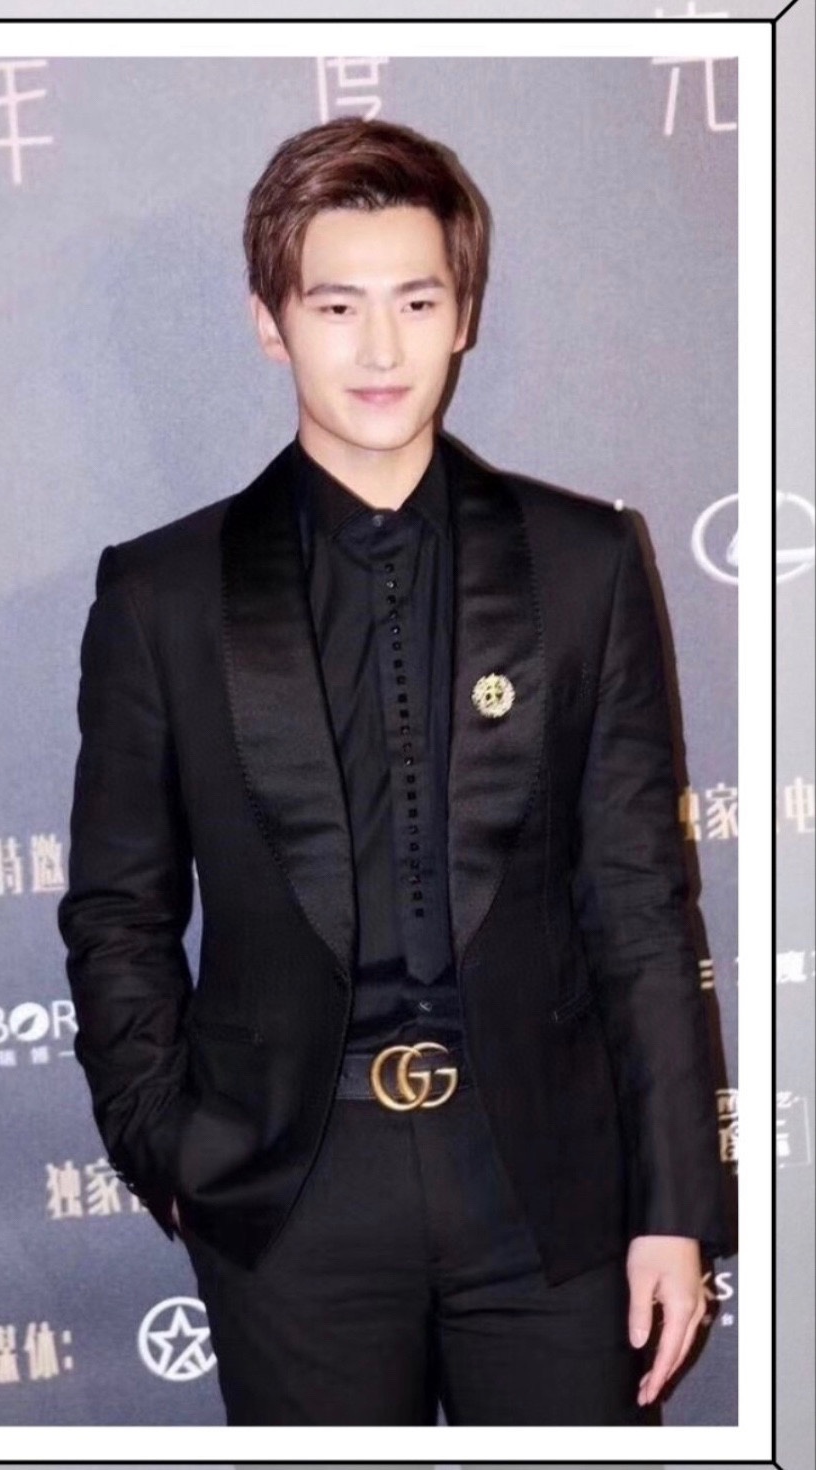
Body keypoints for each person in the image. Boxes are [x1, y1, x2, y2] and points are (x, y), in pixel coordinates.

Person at [57, 117, 730, 1426]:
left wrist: (671, 1204)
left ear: (463, 312)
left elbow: (641, 903)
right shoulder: (162, 595)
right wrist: (171, 1149)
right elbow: (118, 911)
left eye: (416, 302)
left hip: (550, 1188)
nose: (380, 349)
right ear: (271, 323)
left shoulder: (584, 563)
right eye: (337, 305)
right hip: (291, 1191)